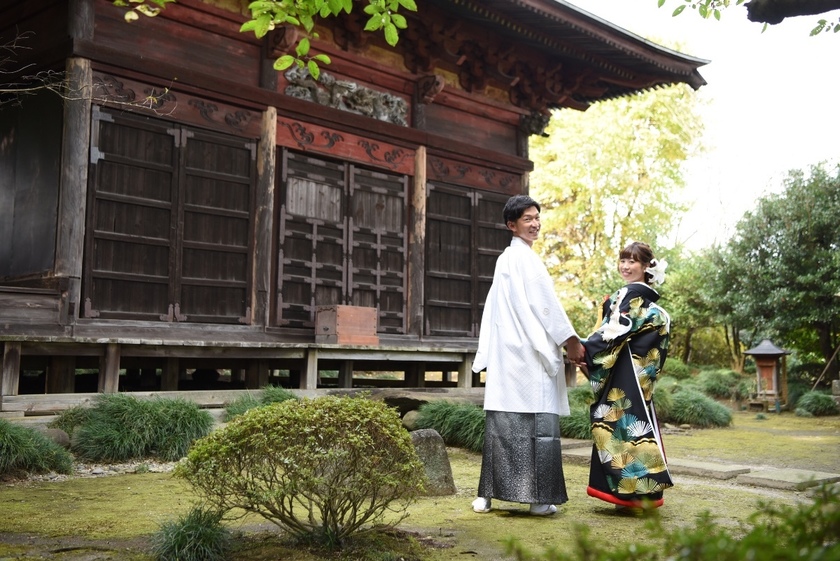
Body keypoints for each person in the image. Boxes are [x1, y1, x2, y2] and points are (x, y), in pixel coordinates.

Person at [471, 194, 585, 516]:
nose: (535, 224)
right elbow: (546, 306)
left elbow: (492, 309)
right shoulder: (525, 260)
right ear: (512, 225)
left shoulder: (505, 259)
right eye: (527, 219)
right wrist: (570, 341)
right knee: (538, 425)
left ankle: (487, 496)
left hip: (507, 352)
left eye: (537, 218)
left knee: (501, 424)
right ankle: (538, 501)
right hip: (530, 354)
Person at [580, 241, 673, 509]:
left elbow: (613, 332)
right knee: (638, 427)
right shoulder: (650, 304)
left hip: (625, 371)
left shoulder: (630, 297)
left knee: (618, 425)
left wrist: (583, 349)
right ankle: (642, 493)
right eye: (623, 260)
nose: (625, 266)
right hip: (640, 375)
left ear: (645, 267)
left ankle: (627, 493)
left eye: (632, 261)